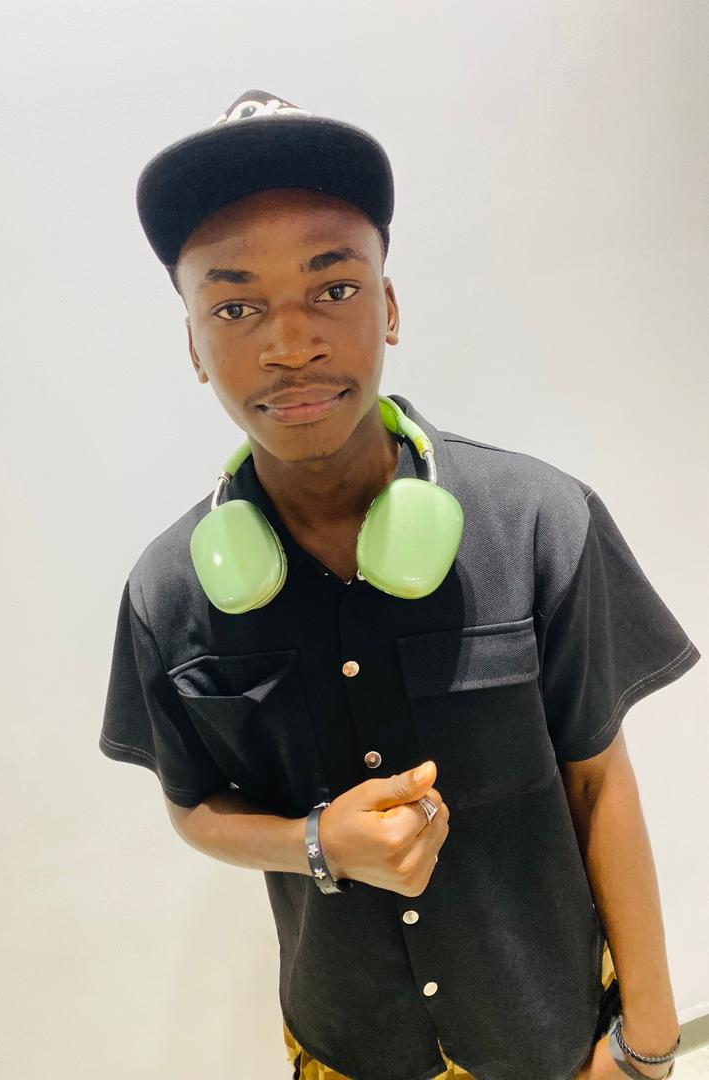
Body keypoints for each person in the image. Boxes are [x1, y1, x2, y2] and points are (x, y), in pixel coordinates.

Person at [99, 89, 700, 1080]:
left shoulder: (541, 521)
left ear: (387, 305)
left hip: (548, 1039)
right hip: (344, 1047)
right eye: (236, 305)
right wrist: (315, 843)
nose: (291, 342)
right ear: (194, 346)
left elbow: (601, 781)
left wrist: (647, 1040)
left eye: (332, 287)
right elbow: (192, 806)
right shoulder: (167, 593)